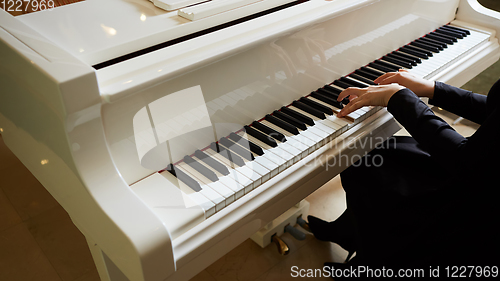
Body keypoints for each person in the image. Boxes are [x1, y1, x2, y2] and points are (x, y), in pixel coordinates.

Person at [307, 69, 500, 268]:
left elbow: (464, 161)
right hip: (483, 165)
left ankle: (370, 265)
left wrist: (399, 98)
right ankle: (349, 232)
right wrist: (434, 89)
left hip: (478, 201)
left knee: (363, 159)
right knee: (372, 153)